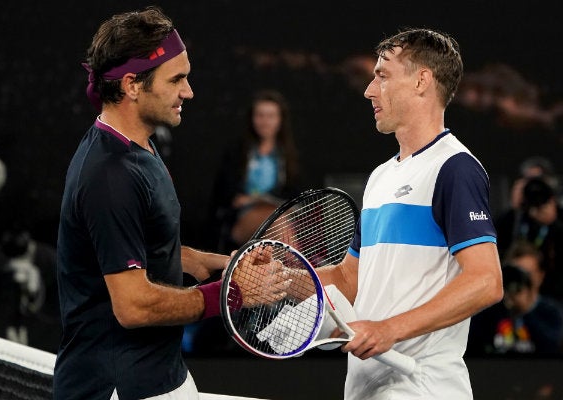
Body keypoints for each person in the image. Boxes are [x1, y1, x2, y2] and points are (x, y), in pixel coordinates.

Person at [53, 8, 278, 399]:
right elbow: (134, 306)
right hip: (119, 388)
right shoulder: (110, 175)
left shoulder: (139, 148)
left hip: (161, 377)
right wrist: (232, 293)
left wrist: (227, 265)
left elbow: (156, 250)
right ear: (132, 85)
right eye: (176, 79)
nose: (188, 91)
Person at [313, 29, 503, 399]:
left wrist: (389, 330)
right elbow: (349, 279)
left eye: (382, 75)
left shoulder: (455, 168)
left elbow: (486, 281)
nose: (369, 90)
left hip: (422, 389)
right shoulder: (381, 176)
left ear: (421, 80)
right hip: (369, 388)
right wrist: (277, 279)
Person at [209, 89, 300, 253]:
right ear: (252, 118)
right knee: (277, 221)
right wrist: (251, 201)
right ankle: (300, 268)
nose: (265, 121)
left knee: (278, 220)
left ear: (280, 120)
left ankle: (292, 269)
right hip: (241, 220)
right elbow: (225, 196)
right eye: (260, 115)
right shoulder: (236, 152)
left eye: (271, 116)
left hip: (281, 216)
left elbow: (294, 196)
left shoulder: (287, 155)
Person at [468, 241, 563, 355]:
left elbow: (554, 348)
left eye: (527, 274)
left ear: (540, 276)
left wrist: (526, 309)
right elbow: (472, 346)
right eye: (515, 273)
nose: (521, 279)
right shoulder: (489, 310)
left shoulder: (551, 312)